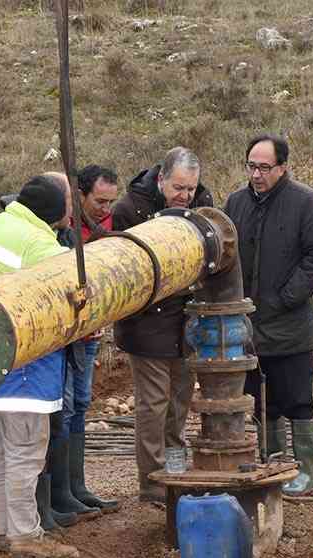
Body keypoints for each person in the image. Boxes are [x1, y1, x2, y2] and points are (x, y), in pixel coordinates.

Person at [0, 174, 79, 558]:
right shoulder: (39, 244)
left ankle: (7, 527)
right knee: (26, 451)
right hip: (26, 364)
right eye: (69, 201)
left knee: (1, 451)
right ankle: (24, 535)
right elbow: (75, 293)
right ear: (53, 208)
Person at [223, 134, 313, 497]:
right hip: (249, 326)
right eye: (252, 166)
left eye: (264, 167)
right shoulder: (236, 203)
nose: (256, 174)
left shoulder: (305, 202)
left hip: (289, 325)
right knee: (259, 398)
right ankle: (272, 464)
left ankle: (305, 473)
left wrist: (288, 296)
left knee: (297, 398)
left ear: (282, 167)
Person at [112, 147, 214, 503]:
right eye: (178, 188)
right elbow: (121, 269)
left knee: (180, 401)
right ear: (161, 180)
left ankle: (174, 469)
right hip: (146, 323)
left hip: (187, 323)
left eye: (190, 188)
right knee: (153, 405)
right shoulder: (129, 210)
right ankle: (153, 482)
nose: (184, 195)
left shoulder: (202, 206)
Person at [60, 165, 120, 513]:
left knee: (82, 404)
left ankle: (77, 486)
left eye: (111, 202)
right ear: (79, 195)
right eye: (99, 201)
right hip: (69, 334)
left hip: (94, 329)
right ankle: (63, 490)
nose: (105, 209)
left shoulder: (110, 225)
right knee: (66, 409)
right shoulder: (65, 230)